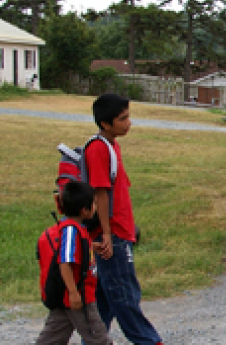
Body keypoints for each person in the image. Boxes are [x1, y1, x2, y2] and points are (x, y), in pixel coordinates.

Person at [86, 94, 163, 345]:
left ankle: (94, 340)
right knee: (124, 296)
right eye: (123, 119)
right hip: (113, 235)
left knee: (105, 298)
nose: (129, 123)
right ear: (105, 124)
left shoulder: (112, 145)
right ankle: (150, 341)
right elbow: (101, 192)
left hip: (121, 231)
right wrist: (107, 234)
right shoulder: (98, 148)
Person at [36, 181, 112, 345]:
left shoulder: (74, 229)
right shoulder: (71, 230)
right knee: (98, 338)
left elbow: (73, 251)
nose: (96, 207)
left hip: (67, 300)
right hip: (79, 297)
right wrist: (73, 292)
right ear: (84, 210)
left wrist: (91, 247)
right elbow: (65, 262)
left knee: (51, 338)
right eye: (94, 204)